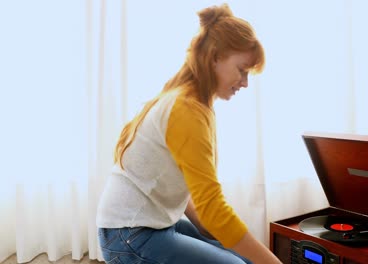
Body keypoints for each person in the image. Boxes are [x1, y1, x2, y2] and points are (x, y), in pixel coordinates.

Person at [96, 3, 282, 264]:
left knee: (243, 256)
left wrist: (208, 230)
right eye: (242, 70)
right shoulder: (185, 109)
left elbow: (187, 194)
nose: (245, 82)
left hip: (146, 226)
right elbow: (213, 207)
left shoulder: (190, 102)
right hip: (130, 234)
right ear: (215, 57)